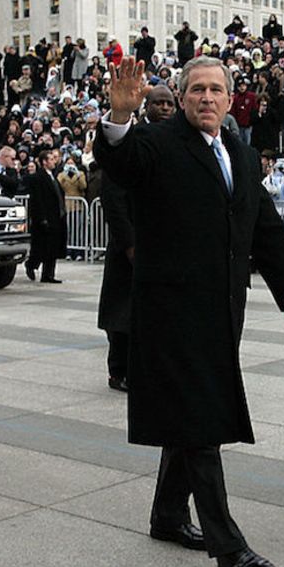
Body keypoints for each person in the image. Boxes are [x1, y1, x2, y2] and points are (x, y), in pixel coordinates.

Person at [95, 55, 284, 567]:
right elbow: (121, 165)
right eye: (197, 90)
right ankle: (228, 545)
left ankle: (168, 515)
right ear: (182, 97)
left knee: (188, 418)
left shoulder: (238, 151)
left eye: (217, 90)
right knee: (201, 420)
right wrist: (119, 121)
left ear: (230, 98)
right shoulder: (159, 143)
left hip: (220, 314)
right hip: (170, 312)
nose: (207, 98)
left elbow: (261, 224)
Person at [97, 84, 175, 393]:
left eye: (170, 104)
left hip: (162, 245)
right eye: (159, 103)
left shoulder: (177, 142)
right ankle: (119, 371)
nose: (166, 109)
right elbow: (113, 197)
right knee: (123, 314)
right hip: (130, 245)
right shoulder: (130, 139)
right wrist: (128, 242)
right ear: (146, 107)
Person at [23, 148, 67, 283]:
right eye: (51, 159)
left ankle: (48, 274)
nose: (54, 161)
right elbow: (37, 200)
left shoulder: (53, 176)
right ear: (44, 162)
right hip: (45, 217)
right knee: (41, 247)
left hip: (56, 216)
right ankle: (31, 264)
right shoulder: (38, 177)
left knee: (53, 247)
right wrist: (42, 218)